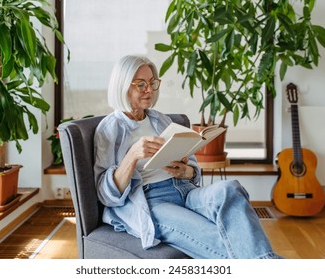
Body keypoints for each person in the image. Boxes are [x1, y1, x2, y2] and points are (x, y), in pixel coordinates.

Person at [94, 55, 281, 259]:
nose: (149, 89)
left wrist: (186, 170)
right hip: (152, 202)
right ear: (122, 86)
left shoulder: (160, 119)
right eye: (140, 84)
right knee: (219, 239)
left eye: (152, 83)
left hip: (185, 191)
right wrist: (132, 156)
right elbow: (105, 194)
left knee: (231, 189)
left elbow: (192, 168)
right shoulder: (110, 129)